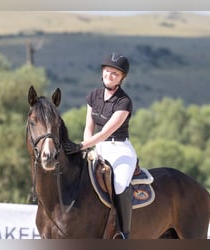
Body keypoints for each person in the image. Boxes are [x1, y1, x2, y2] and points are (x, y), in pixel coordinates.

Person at [63, 52, 137, 239]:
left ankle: (123, 232)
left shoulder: (124, 102)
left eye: (115, 74)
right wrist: (87, 146)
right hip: (97, 147)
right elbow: (89, 127)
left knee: (119, 185)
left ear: (122, 78)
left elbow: (106, 132)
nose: (110, 76)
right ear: (102, 71)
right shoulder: (93, 96)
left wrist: (80, 146)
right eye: (107, 71)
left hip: (120, 149)